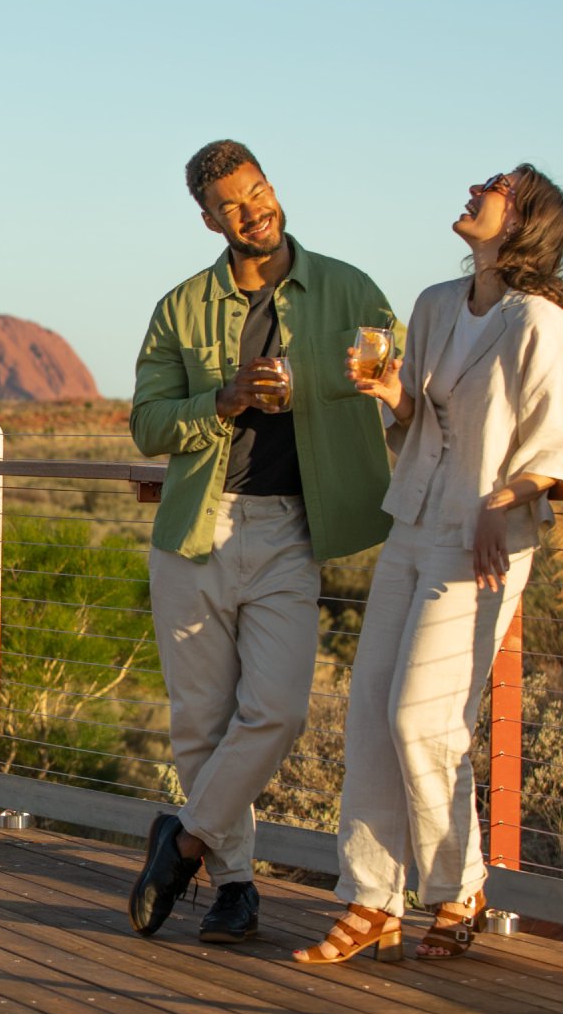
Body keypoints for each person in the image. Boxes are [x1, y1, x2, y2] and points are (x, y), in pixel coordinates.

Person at [294, 165, 563, 965]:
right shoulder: (431, 304)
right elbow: (422, 422)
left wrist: (504, 502)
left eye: (494, 185)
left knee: (422, 720)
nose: (473, 188)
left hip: (484, 543)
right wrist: (393, 393)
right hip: (415, 525)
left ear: (524, 220)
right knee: (367, 716)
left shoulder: (543, 324)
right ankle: (369, 900)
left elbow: (559, 442)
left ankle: (458, 886)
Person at [128, 139, 398, 944]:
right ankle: (236, 887)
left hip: (290, 528)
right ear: (209, 219)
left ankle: (178, 847)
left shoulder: (350, 289)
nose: (256, 211)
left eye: (260, 191)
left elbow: (409, 378)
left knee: (275, 713)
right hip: (195, 532)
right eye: (234, 205)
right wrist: (223, 397)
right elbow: (146, 424)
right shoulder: (181, 307)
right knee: (201, 726)